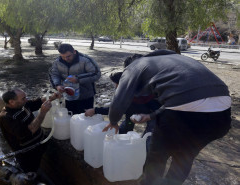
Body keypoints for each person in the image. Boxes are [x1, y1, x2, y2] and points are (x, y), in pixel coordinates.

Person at [104, 50, 231, 185]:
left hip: (185, 114)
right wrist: (151, 116)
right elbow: (182, 98)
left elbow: (120, 99)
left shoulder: (135, 66)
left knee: (157, 157)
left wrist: (113, 121)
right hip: (221, 116)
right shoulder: (172, 60)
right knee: (184, 157)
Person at [0, 88, 61, 173]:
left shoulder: (21, 105)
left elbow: (37, 102)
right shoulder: (6, 117)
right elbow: (27, 132)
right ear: (11, 102)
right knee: (30, 173)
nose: (26, 99)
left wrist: (52, 97)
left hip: (39, 144)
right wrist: (42, 112)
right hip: (27, 154)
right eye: (23, 98)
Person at [85, 72, 160, 137]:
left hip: (155, 114)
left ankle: (147, 149)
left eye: (116, 84)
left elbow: (117, 109)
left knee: (150, 136)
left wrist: (95, 110)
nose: (115, 87)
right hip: (133, 112)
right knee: (126, 127)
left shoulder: (133, 93)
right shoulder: (128, 90)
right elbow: (119, 108)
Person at [49, 43, 101, 114]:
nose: (66, 59)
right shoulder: (57, 62)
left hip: (85, 95)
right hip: (69, 96)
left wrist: (78, 78)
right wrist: (57, 85)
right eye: (63, 57)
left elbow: (96, 73)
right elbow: (54, 74)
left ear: (74, 52)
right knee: (71, 117)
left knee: (86, 118)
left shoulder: (85, 60)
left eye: (68, 56)